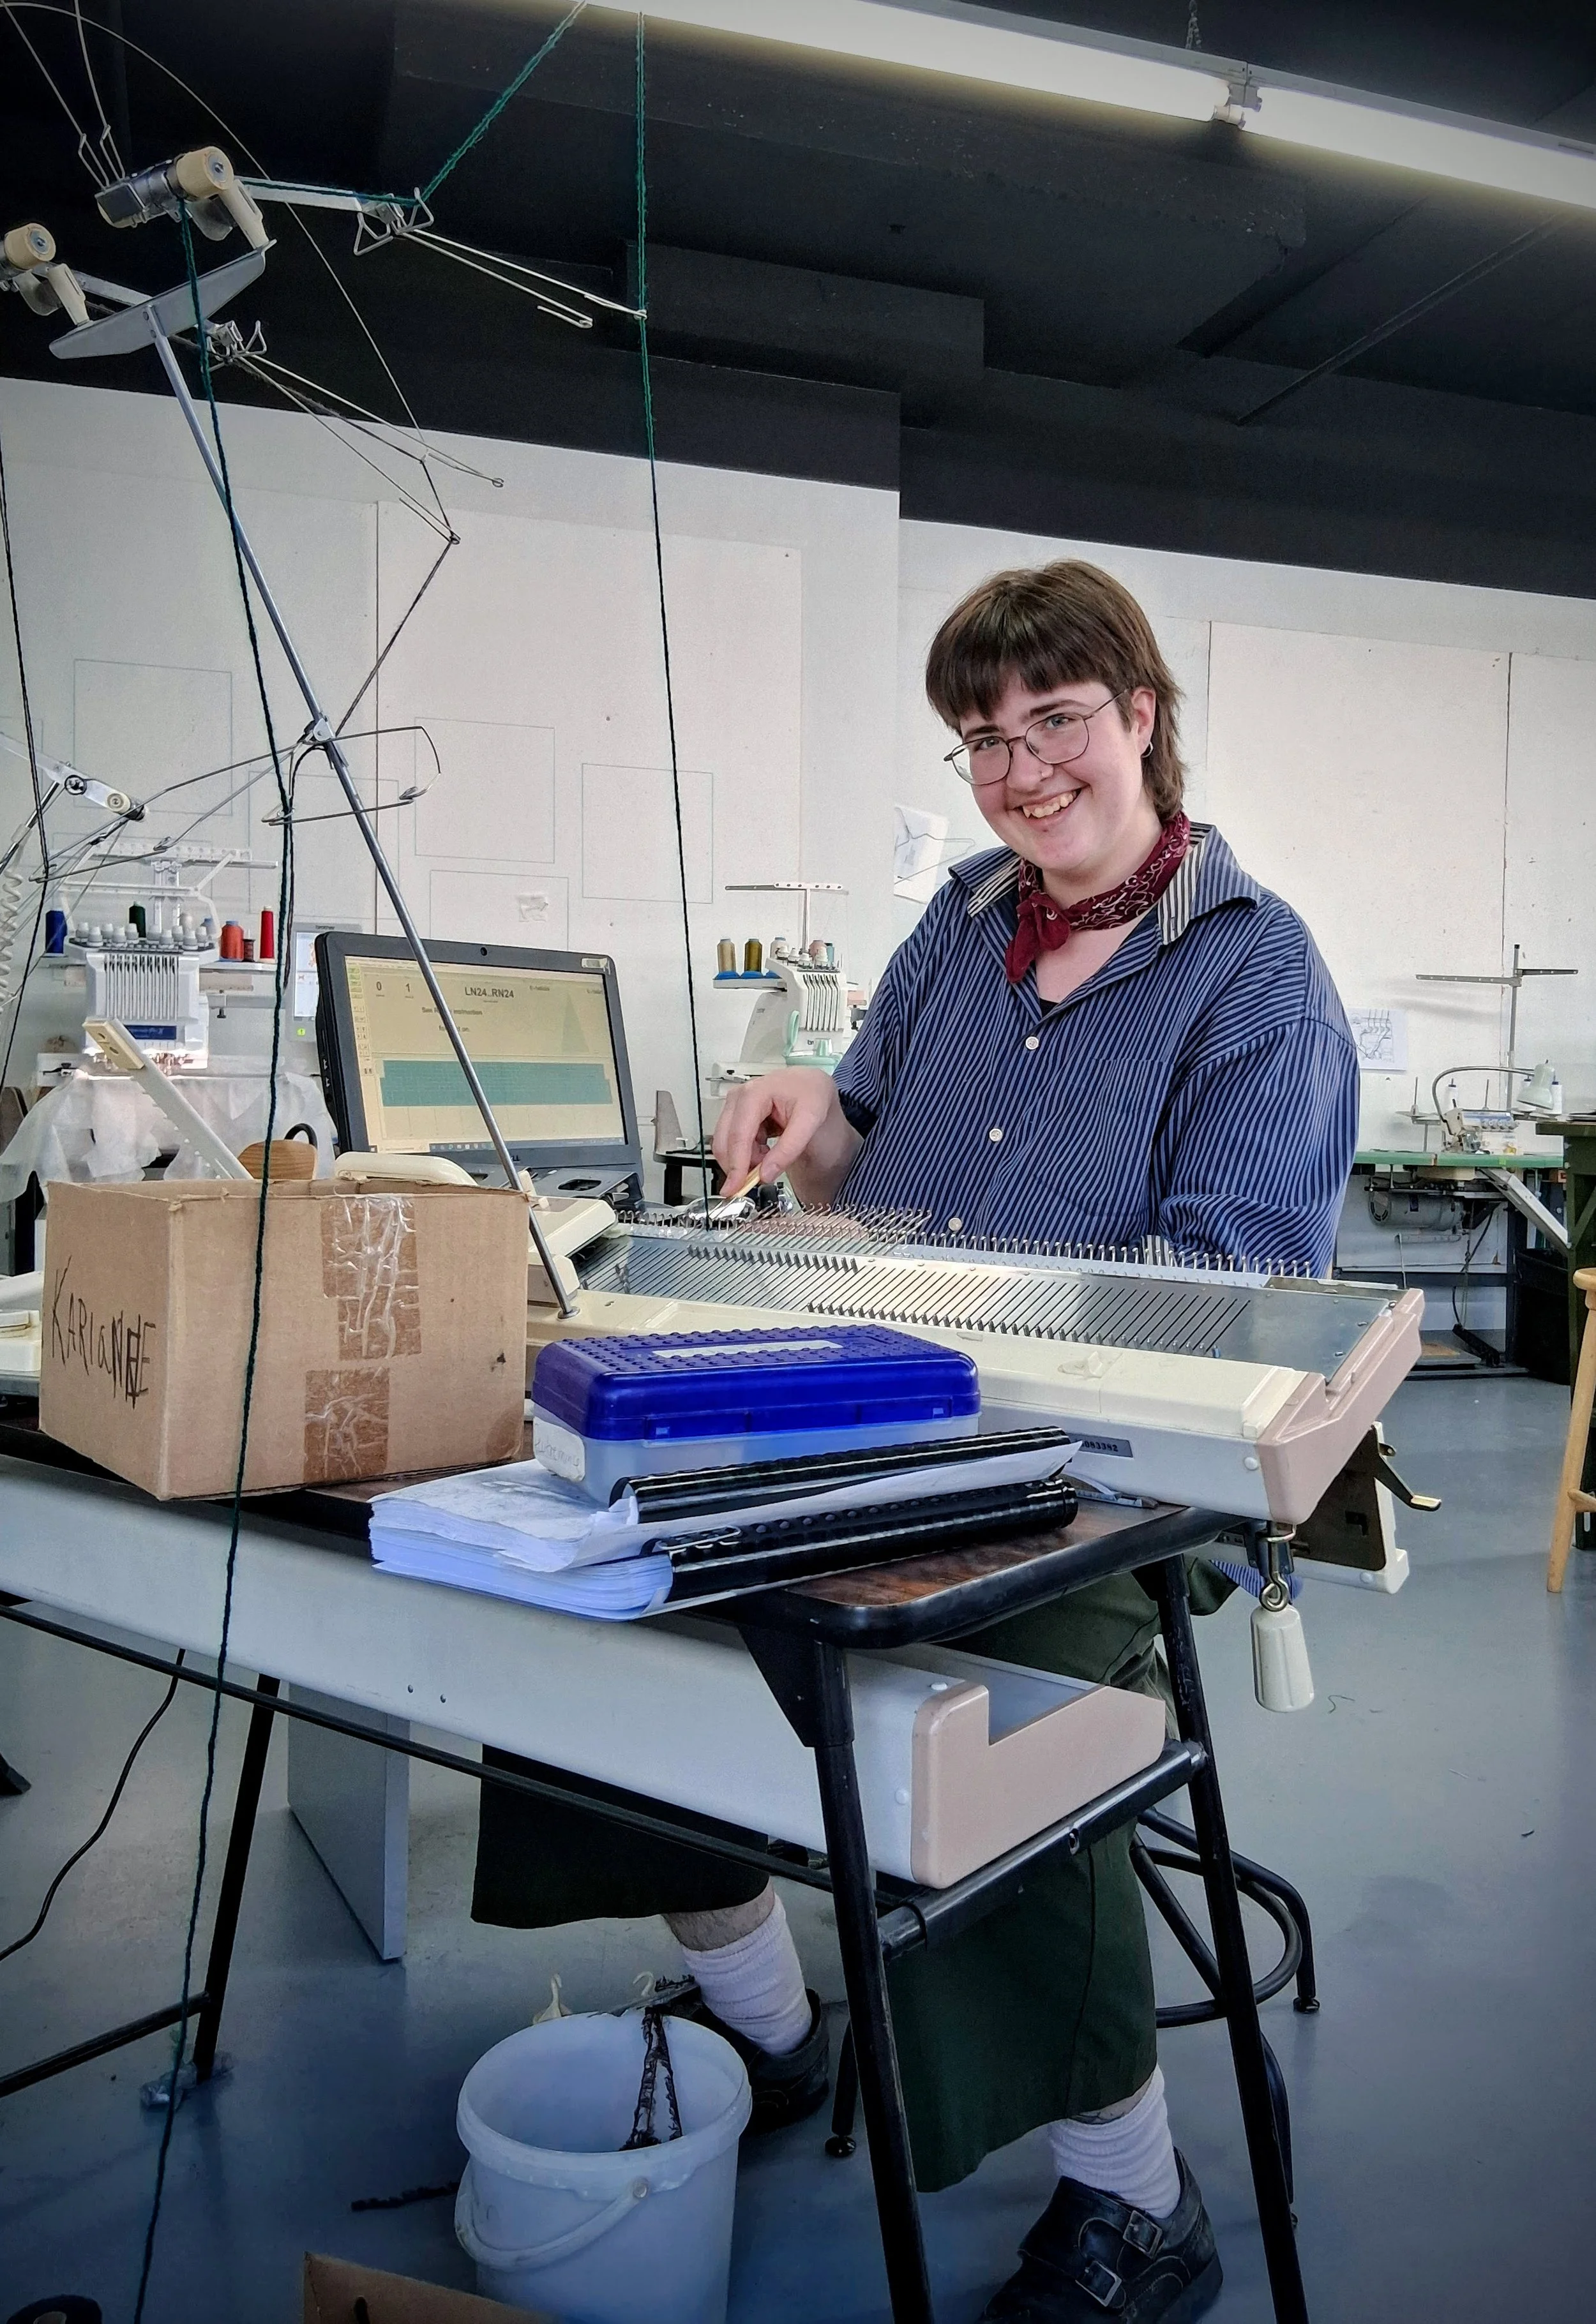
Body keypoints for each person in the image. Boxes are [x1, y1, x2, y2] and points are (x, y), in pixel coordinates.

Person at [473, 559, 1358, 2324]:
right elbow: (863, 1145)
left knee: (984, 1704)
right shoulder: (961, 923)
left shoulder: (1257, 983)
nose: (1022, 773)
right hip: (876, 1409)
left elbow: (1232, 1289)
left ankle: (1137, 2201)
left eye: (1056, 724)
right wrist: (810, 1134)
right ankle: (769, 2028)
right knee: (599, 1565)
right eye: (983, 739)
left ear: (1143, 718)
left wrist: (921, 1274)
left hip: (1105, 1471)